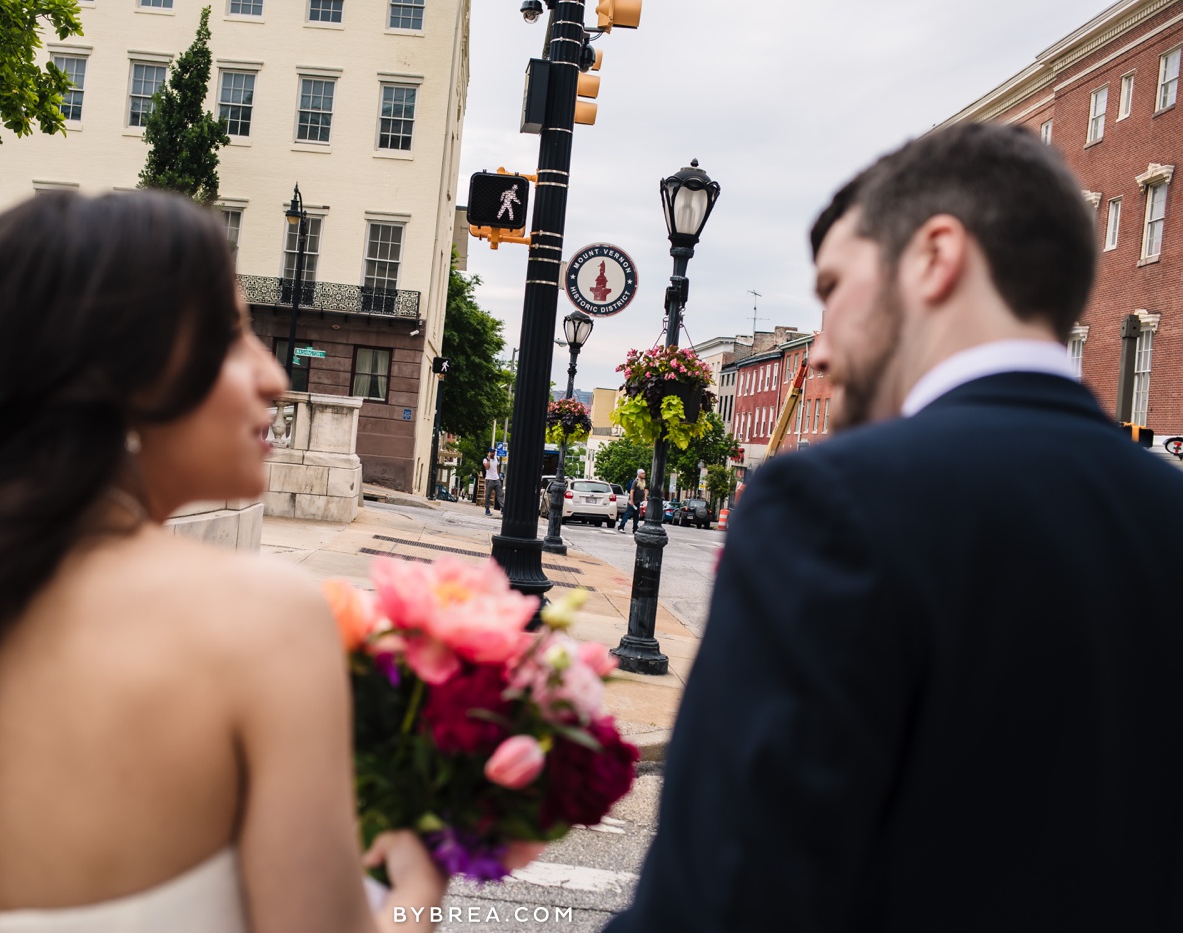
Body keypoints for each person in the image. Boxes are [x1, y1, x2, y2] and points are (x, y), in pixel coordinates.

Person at [0, 192, 446, 932]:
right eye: (231, 336)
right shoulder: (262, 625)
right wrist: (420, 883)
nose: (273, 377)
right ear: (118, 369)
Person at [608, 122, 1183, 932]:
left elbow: (717, 903)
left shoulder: (834, 505)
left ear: (935, 258)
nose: (819, 351)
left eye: (835, 290)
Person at [482, 450, 503, 516]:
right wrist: (489, 459)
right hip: (489, 479)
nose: (492, 453)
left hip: (496, 479)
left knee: (500, 494)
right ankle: (487, 509)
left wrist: (498, 476)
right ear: (489, 453)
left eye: (493, 452)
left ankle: (503, 508)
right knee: (488, 495)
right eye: (491, 452)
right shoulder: (485, 460)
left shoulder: (496, 458)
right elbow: (487, 468)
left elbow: (497, 468)